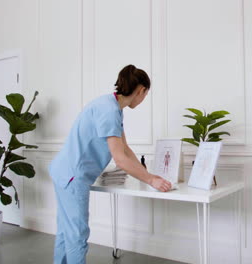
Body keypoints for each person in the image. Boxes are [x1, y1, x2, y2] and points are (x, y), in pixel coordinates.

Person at [48, 64, 172, 264]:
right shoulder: (110, 111)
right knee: (77, 235)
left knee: (66, 231)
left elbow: (125, 149)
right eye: (145, 95)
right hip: (73, 177)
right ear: (141, 90)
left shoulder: (111, 106)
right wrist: (151, 180)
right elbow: (120, 159)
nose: (143, 100)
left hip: (63, 171)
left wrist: (147, 174)